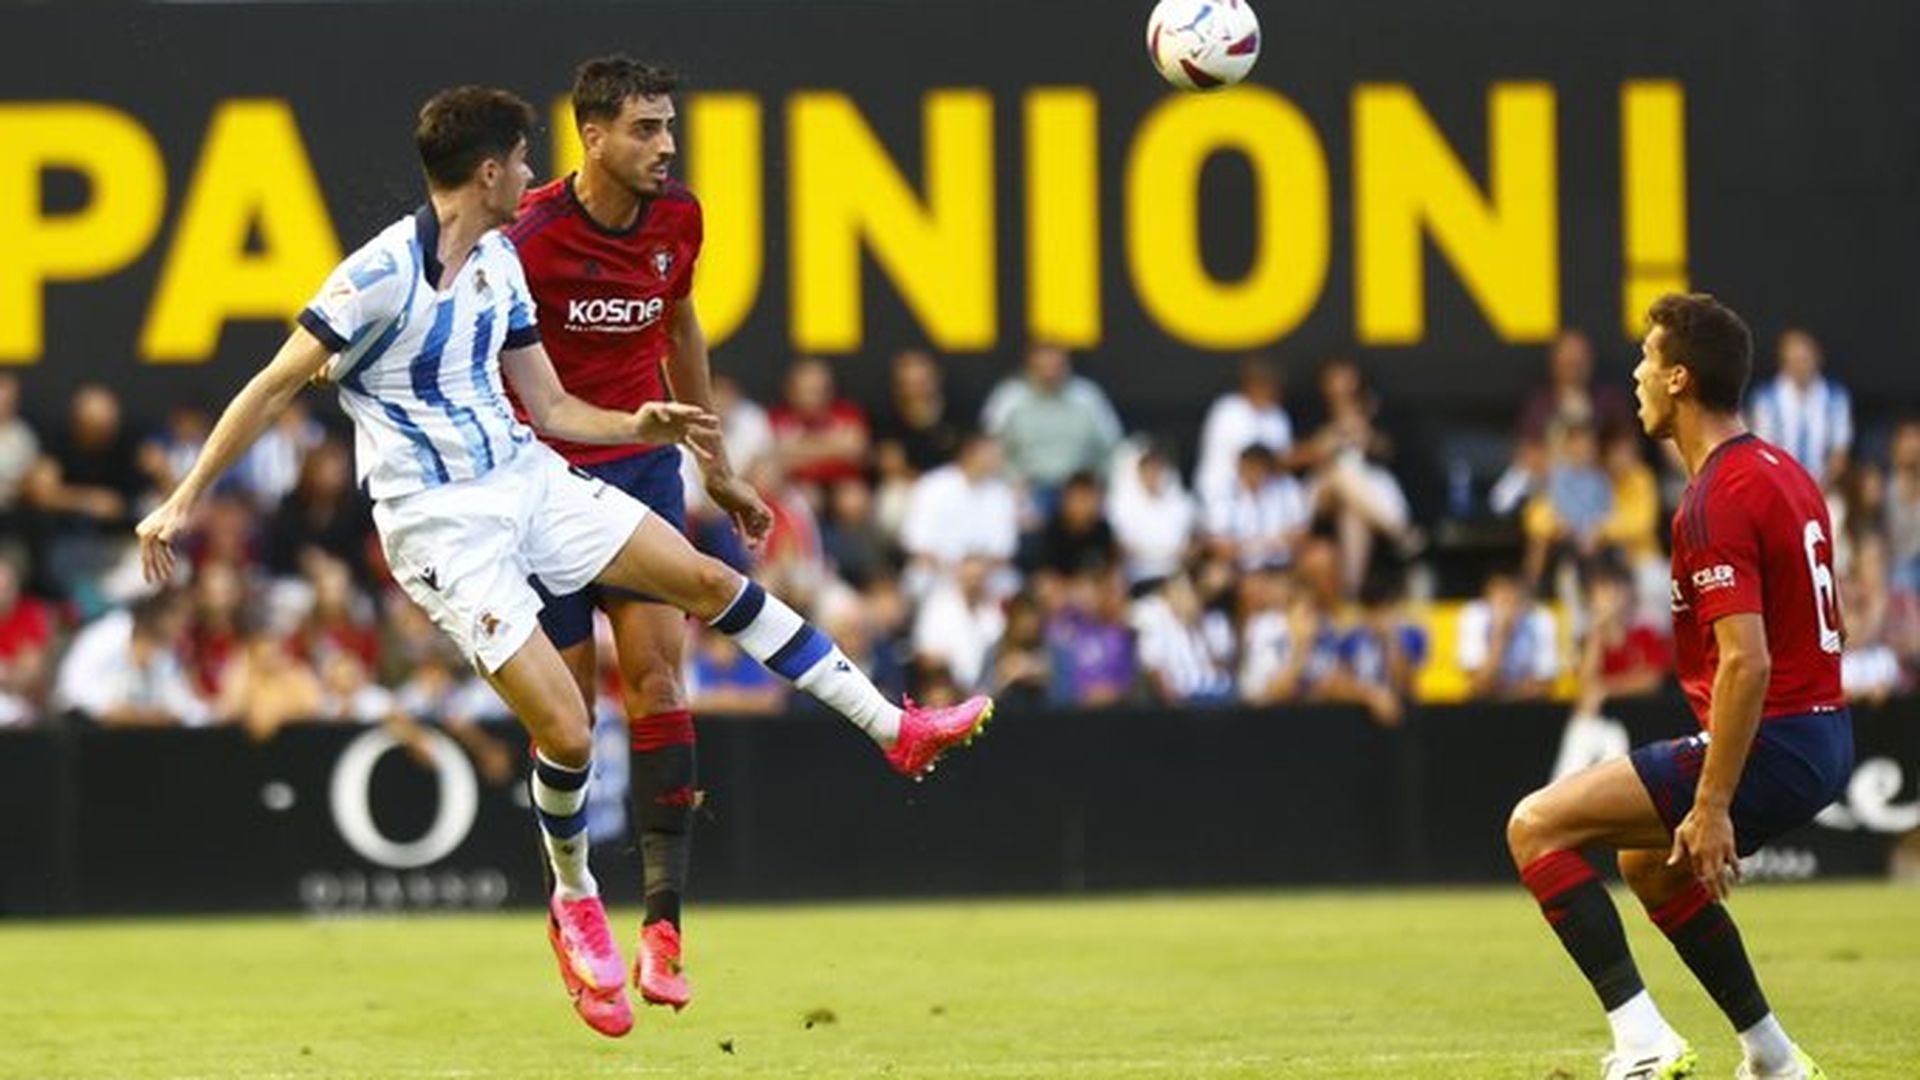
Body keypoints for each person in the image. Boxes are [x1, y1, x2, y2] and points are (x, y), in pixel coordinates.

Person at [133, 85, 992, 1041]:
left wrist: (637, 424)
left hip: (529, 478)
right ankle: (575, 896)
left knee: (708, 581)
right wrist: (182, 500)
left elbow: (548, 407)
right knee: (571, 732)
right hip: (442, 528)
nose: (535, 177)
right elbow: (272, 383)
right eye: (524, 160)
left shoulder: (500, 263)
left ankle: (892, 728)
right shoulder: (375, 278)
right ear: (490, 170)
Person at [505, 56, 785, 1019]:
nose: (666, 147)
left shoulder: (679, 220)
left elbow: (681, 324)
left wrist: (714, 462)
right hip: (542, 489)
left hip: (641, 474)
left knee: (661, 681)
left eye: (669, 128)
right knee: (568, 722)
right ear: (591, 136)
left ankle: (663, 933)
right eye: (645, 130)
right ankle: (572, 896)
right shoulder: (528, 236)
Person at [1506, 294, 1845, 1080]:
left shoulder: (1715, 498)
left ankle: (1643, 1042)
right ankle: (1773, 1056)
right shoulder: (1781, 471)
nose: (1636, 375)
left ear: (1680, 379)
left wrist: (1714, 802)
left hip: (1777, 735)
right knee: (1646, 861)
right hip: (1822, 733)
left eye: (1647, 358)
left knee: (1535, 827)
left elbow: (1747, 662)